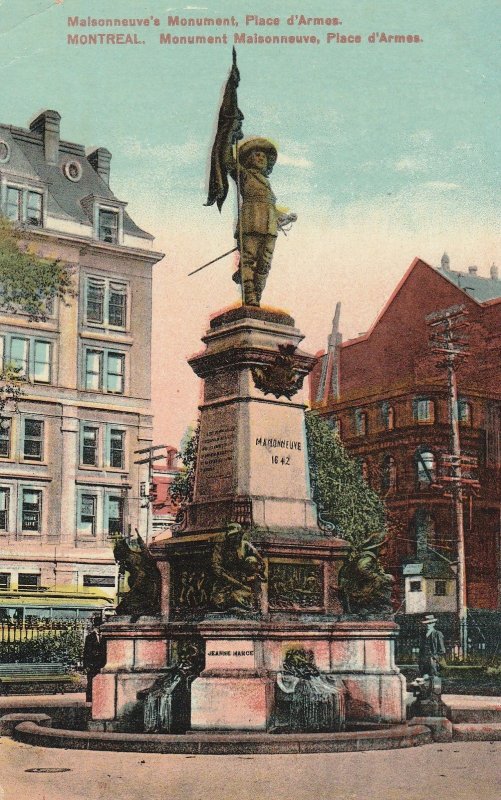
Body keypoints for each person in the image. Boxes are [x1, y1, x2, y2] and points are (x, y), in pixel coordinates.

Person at [226, 137, 294, 307]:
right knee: (249, 261)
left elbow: (270, 209)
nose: (261, 158)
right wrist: (228, 133)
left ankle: (257, 296)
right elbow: (228, 161)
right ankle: (250, 298)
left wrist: (286, 217)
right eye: (257, 155)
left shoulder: (267, 185)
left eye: (263, 157)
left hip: (269, 229)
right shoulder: (245, 175)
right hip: (251, 223)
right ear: (249, 159)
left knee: (264, 264)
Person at [83, 614, 107, 702]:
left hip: (101, 664)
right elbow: (86, 652)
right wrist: (85, 666)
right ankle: (89, 702)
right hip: (92, 665)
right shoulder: (89, 637)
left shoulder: (105, 637)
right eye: (99, 626)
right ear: (96, 627)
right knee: (91, 684)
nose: (100, 628)